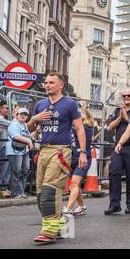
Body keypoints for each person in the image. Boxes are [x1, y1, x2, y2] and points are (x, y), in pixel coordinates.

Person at [27, 72, 87, 245]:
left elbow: (80, 129)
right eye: (46, 82)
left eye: (51, 82)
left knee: (50, 191)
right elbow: (29, 127)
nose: (47, 85)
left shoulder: (69, 104)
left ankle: (49, 231)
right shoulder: (40, 104)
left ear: (61, 85)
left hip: (60, 152)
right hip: (43, 151)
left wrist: (82, 152)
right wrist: (34, 119)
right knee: (40, 194)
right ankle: (62, 225)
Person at [104, 89, 130, 215]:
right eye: (124, 96)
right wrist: (120, 118)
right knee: (114, 172)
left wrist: (127, 118)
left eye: (129, 95)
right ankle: (114, 204)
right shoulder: (118, 110)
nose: (126, 97)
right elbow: (110, 127)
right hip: (118, 147)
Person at [63, 105, 94, 216]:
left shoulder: (85, 128)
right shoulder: (74, 127)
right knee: (76, 184)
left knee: (74, 183)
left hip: (83, 158)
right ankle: (81, 207)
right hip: (73, 158)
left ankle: (68, 209)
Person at [6, 108, 33, 198]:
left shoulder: (24, 125)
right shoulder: (14, 124)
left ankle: (21, 191)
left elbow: (28, 136)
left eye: (25, 114)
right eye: (21, 114)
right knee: (16, 171)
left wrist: (36, 134)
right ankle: (16, 192)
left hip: (24, 150)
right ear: (17, 115)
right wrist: (29, 141)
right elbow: (17, 137)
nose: (23, 116)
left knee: (25, 170)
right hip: (14, 151)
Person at [0, 101, 12, 197]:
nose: (7, 110)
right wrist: (15, 115)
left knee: (8, 168)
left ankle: (4, 188)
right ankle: (1, 188)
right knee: (3, 167)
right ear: (0, 109)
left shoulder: (3, 120)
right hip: (3, 146)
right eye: (6, 108)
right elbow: (13, 124)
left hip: (8, 146)